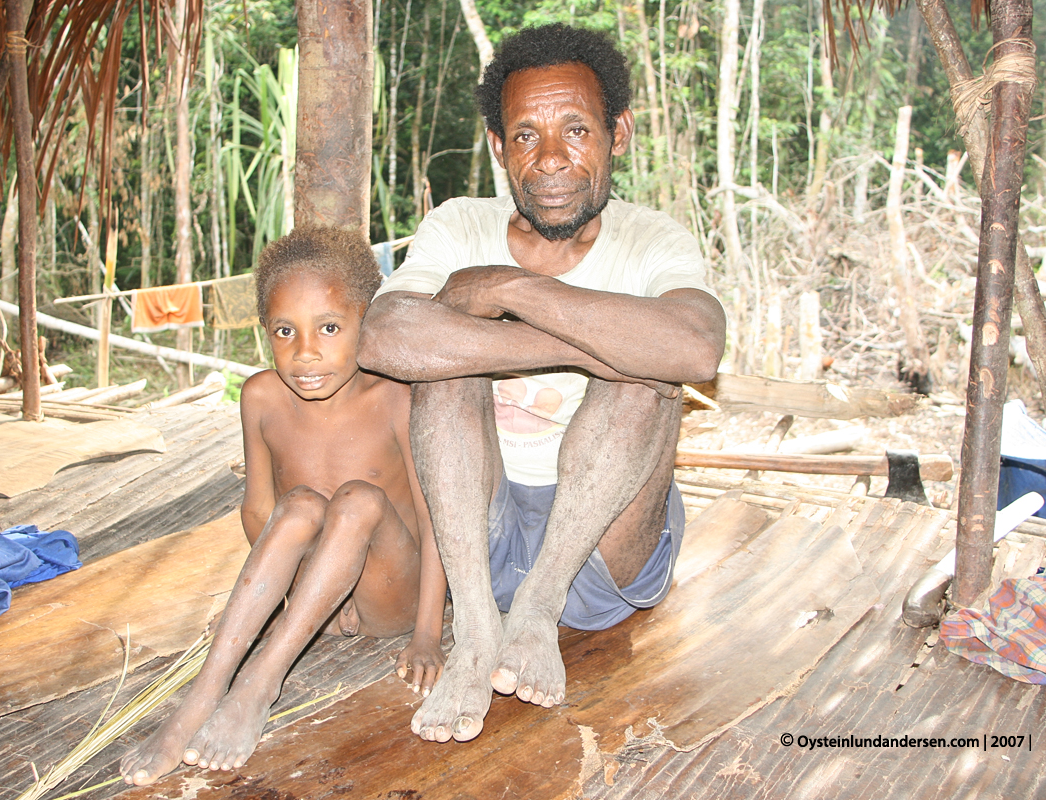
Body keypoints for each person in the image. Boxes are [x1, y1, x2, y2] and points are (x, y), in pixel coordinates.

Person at [357, 23, 726, 744]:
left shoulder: (655, 240)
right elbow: (382, 335)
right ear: (499, 148)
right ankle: (477, 635)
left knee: (646, 376)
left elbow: (695, 348)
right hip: (476, 541)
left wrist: (507, 288)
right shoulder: (460, 224)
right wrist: (585, 347)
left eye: (575, 130)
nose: (551, 159)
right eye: (525, 136)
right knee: (445, 367)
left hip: (599, 550)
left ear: (616, 133)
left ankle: (537, 608)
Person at [121, 227, 446, 785]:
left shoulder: (393, 394)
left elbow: (436, 518)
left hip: (392, 591)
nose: (306, 353)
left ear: (366, 323)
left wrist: (427, 633)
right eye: (284, 332)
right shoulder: (261, 396)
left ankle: (260, 682)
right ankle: (201, 695)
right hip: (321, 592)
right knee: (296, 505)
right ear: (264, 334)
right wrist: (307, 594)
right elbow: (258, 512)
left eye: (329, 327)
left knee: (357, 499)